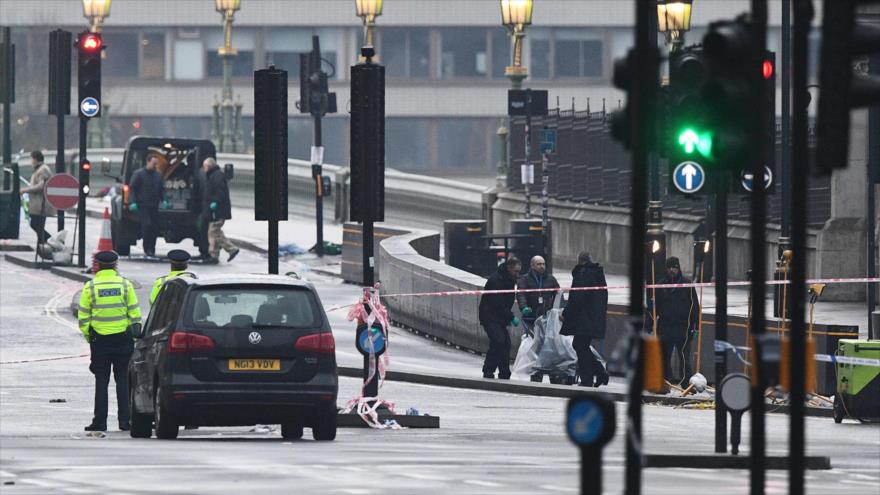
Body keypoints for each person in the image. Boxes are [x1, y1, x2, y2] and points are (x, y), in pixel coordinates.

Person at [77, 251, 141, 432]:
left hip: (100, 340)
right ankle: (125, 421)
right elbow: (134, 314)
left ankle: (100, 422)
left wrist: (91, 337)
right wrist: (133, 336)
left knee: (101, 381)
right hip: (123, 340)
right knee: (123, 380)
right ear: (115, 265)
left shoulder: (90, 287)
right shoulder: (125, 285)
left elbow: (83, 317)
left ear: (97, 265)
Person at [561, 251, 610, 387]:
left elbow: (577, 297)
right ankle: (599, 374)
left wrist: (566, 313)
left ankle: (590, 378)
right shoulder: (597, 273)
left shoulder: (583, 273)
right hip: (593, 318)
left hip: (584, 318)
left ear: (579, 261)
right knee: (581, 345)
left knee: (579, 346)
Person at [653, 256, 700, 386]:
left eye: (674, 267)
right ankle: (667, 381)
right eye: (669, 267)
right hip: (665, 327)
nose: (672, 270)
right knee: (664, 357)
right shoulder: (660, 285)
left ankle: (687, 384)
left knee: (684, 358)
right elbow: (654, 308)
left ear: (678, 268)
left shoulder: (687, 284)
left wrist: (695, 328)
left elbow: (695, 307)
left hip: (683, 328)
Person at [516, 255, 561, 382]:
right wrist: (524, 307)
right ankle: (536, 372)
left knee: (551, 345)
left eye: (543, 264)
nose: (542, 266)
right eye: (539, 264)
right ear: (532, 266)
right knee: (536, 345)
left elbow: (558, 294)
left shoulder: (550, 279)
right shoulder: (524, 280)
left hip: (548, 319)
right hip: (532, 318)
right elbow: (521, 295)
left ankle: (553, 371)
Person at [478, 256, 521, 379]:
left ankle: (504, 372)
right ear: (509, 268)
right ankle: (488, 370)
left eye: (519, 271)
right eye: (516, 271)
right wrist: (511, 317)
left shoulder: (509, 279)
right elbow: (497, 303)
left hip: (500, 317)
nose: (517, 274)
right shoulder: (496, 280)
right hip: (489, 316)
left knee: (505, 343)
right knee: (498, 340)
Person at [201, 157, 239, 263]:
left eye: (204, 166)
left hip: (217, 211)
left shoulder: (216, 176)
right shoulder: (214, 175)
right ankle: (214, 254)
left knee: (213, 232)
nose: (203, 169)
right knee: (215, 231)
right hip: (217, 210)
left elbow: (219, 193)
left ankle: (231, 249)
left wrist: (214, 204)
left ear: (208, 166)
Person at [129, 152, 164, 257]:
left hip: (154, 205)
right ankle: (147, 248)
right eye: (154, 163)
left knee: (154, 228)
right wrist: (133, 201)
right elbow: (133, 189)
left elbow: (161, 189)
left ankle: (152, 248)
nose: (155, 166)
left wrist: (164, 199)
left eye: (156, 164)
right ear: (148, 162)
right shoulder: (139, 174)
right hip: (143, 205)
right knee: (147, 226)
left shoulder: (157, 175)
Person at [19, 151, 56, 249]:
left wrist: (25, 190)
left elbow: (42, 186)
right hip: (37, 204)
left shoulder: (43, 170)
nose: (31, 161)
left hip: (41, 204)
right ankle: (42, 247)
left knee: (36, 224)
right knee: (38, 226)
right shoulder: (39, 169)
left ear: (35, 159)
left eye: (31, 159)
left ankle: (51, 241)